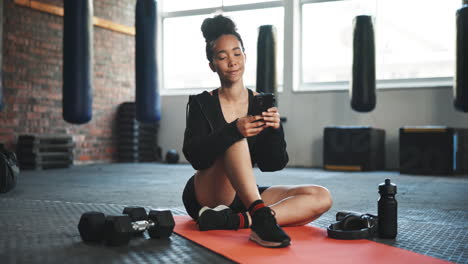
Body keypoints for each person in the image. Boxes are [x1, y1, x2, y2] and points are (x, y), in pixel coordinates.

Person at [182, 15, 332, 248]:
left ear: (245, 56)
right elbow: (195, 157)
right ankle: (260, 219)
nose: (232, 62)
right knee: (236, 138)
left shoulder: (260, 102)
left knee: (320, 196)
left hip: (244, 197)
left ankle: (239, 220)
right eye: (222, 57)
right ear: (212, 65)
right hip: (208, 194)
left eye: (237, 53)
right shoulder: (202, 103)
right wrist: (233, 130)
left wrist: (274, 130)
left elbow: (273, 164)